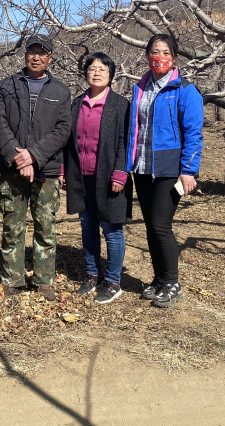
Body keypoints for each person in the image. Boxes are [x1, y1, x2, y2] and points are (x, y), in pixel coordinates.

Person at [0, 34, 71, 301]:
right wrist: (19, 158)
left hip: (46, 169)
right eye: (32, 52)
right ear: (25, 55)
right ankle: (11, 280)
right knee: (12, 225)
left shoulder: (60, 91)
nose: (36, 57)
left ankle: (44, 280)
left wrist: (34, 156)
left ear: (50, 58)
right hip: (13, 168)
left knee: (45, 225)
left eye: (42, 53)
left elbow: (63, 130)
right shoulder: (7, 86)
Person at [126, 34, 203, 308]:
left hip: (169, 167)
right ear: (147, 55)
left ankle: (173, 283)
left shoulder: (185, 89)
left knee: (161, 225)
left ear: (174, 57)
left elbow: (193, 133)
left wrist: (189, 170)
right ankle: (159, 278)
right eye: (155, 52)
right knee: (151, 225)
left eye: (166, 52)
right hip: (142, 165)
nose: (160, 57)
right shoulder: (140, 87)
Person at [60, 52, 131, 304]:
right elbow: (67, 141)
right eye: (92, 68)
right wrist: (63, 170)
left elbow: (124, 141)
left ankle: (113, 281)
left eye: (102, 69)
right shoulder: (76, 103)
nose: (97, 72)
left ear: (111, 75)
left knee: (111, 229)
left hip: (110, 177)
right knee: (87, 226)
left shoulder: (120, 104)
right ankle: (92, 274)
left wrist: (120, 172)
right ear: (86, 73)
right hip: (81, 176)